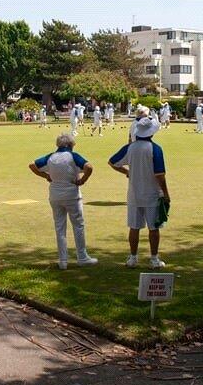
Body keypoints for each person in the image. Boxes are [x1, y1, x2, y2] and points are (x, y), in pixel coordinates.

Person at [29, 133, 98, 270]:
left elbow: (32, 165)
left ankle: (63, 260)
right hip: (72, 194)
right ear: (71, 145)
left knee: (60, 228)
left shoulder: (51, 157)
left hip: (55, 195)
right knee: (78, 225)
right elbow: (89, 167)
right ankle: (82, 257)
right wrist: (82, 181)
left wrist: (46, 176)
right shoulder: (73, 156)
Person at [108, 115, 170, 269]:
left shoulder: (130, 147)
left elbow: (112, 162)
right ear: (151, 132)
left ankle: (133, 258)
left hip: (134, 194)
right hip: (152, 194)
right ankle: (154, 258)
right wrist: (166, 193)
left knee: (134, 227)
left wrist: (126, 172)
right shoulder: (155, 149)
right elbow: (160, 175)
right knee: (154, 229)